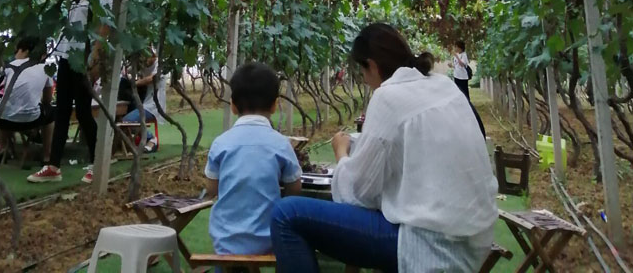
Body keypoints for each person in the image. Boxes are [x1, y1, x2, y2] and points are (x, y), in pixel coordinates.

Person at [271, 22, 498, 273]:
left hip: (429, 246)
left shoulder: (388, 97)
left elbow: (357, 193)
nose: (366, 82)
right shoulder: (444, 86)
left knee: (286, 215)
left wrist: (341, 154)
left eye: (363, 73)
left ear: (372, 65)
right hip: (474, 240)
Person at [205, 62, 302, 257]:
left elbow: (211, 189)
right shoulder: (281, 144)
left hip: (225, 240)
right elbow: (295, 188)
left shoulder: (221, 143)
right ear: (274, 105)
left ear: (233, 106)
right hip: (270, 239)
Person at [28, 0, 112, 185]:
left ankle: (96, 163)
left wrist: (96, 55)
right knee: (62, 110)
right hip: (66, 55)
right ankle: (53, 166)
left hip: (84, 56)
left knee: (83, 112)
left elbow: (105, 24)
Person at [0, 36, 55, 165]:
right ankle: (47, 155)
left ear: (25, 51)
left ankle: (2, 147)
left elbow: (2, 92)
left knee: (2, 108)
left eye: (17, 50)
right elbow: (48, 100)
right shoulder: (46, 69)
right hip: (31, 120)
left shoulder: (9, 67)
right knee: (50, 113)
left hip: (4, 121)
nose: (15, 54)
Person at [120, 48, 162, 153]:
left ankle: (151, 138)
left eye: (145, 58)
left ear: (153, 55)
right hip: (142, 103)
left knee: (126, 121)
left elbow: (151, 78)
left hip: (153, 107)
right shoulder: (143, 65)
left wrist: (134, 83)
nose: (144, 61)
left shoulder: (160, 65)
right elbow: (127, 71)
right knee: (119, 120)